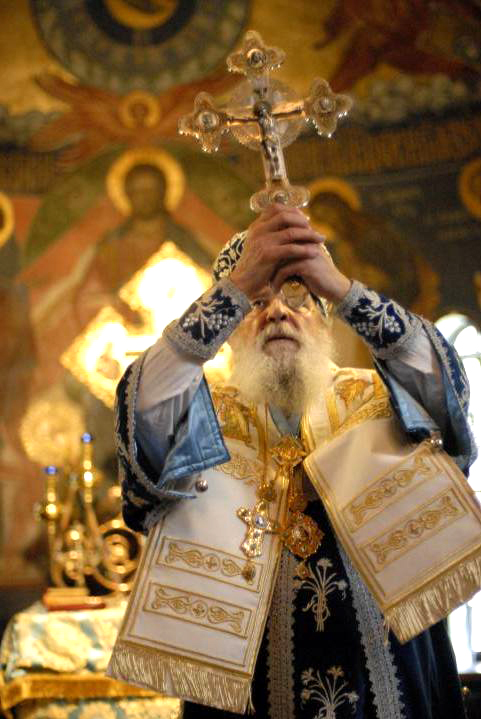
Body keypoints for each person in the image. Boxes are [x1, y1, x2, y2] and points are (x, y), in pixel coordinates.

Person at [112, 204, 477, 719]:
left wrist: (342, 288)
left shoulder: (377, 398)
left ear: (325, 318)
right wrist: (235, 287)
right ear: (228, 330)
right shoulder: (197, 421)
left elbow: (448, 390)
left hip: (389, 683)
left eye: (299, 298)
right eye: (255, 304)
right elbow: (141, 403)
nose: (277, 312)